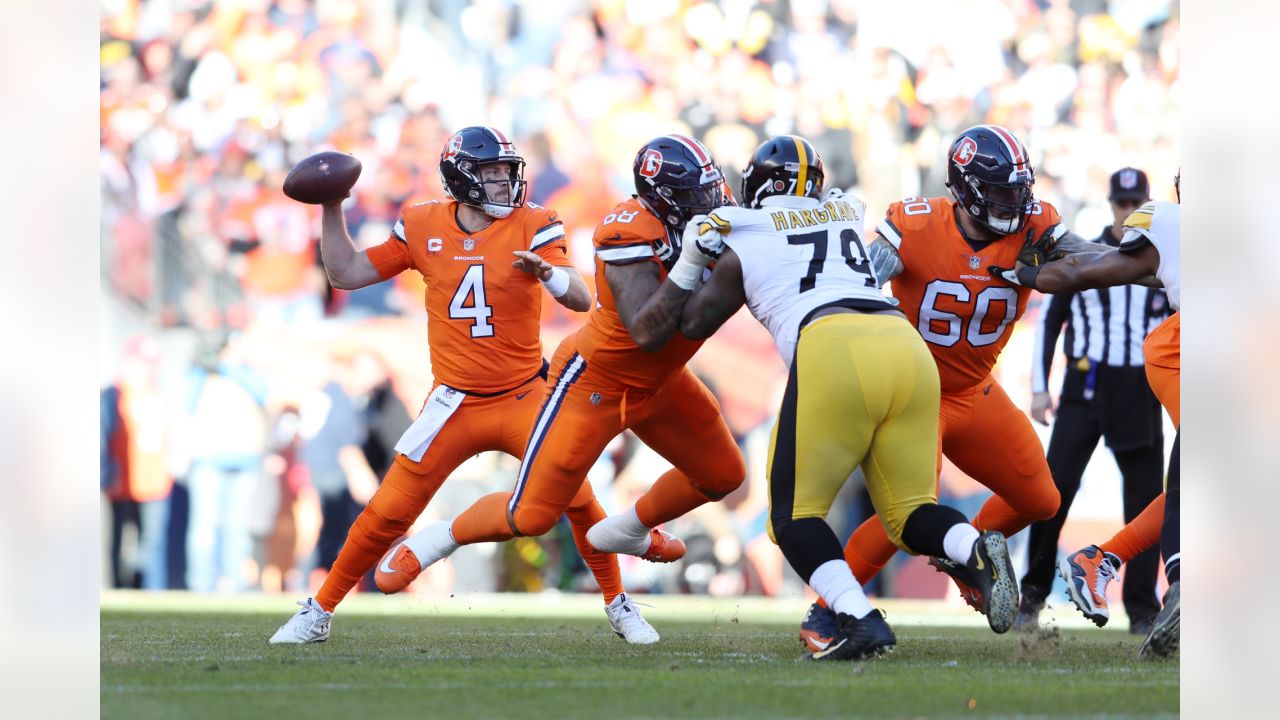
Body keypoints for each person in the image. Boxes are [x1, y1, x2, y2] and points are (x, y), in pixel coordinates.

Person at [271, 127, 658, 645]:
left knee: (578, 496)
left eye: (508, 173)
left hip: (524, 395)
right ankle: (319, 610)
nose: (506, 184)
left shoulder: (534, 222)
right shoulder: (423, 222)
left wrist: (547, 273)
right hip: (453, 400)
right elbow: (346, 273)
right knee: (387, 509)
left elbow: (581, 298)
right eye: (494, 174)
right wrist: (331, 206)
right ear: (464, 179)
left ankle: (619, 602)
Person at [677, 135, 1019, 659]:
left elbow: (693, 322)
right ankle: (971, 547)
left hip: (832, 346)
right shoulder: (841, 210)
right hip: (906, 346)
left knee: (793, 518)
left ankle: (859, 618)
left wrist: (692, 258)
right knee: (910, 514)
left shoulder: (742, 227)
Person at [373, 135, 747, 611]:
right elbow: (649, 331)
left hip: (663, 380)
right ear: (664, 199)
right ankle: (438, 538)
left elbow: (706, 312)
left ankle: (628, 527)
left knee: (723, 474)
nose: (712, 200)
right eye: (698, 193)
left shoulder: (716, 213)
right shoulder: (625, 230)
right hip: (596, 383)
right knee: (531, 515)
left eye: (712, 187)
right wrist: (694, 261)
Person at [800, 125, 1086, 644]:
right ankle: (826, 610)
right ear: (966, 188)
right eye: (1000, 190)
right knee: (905, 514)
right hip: (914, 394)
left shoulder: (1037, 226)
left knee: (1041, 498)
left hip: (976, 388)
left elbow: (1087, 256)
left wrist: (1148, 265)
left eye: (1019, 188)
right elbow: (858, 282)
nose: (1014, 201)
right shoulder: (915, 224)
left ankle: (966, 552)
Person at [989, 174, 1181, 659]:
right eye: (1122, 201)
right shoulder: (1168, 226)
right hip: (1095, 379)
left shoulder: (1178, 235)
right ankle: (1034, 593)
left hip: (1146, 379)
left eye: (1135, 201)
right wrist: (1025, 274)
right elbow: (1077, 281)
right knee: (1055, 491)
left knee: (1168, 488)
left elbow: (1129, 270)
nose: (1128, 208)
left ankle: (1123, 581)